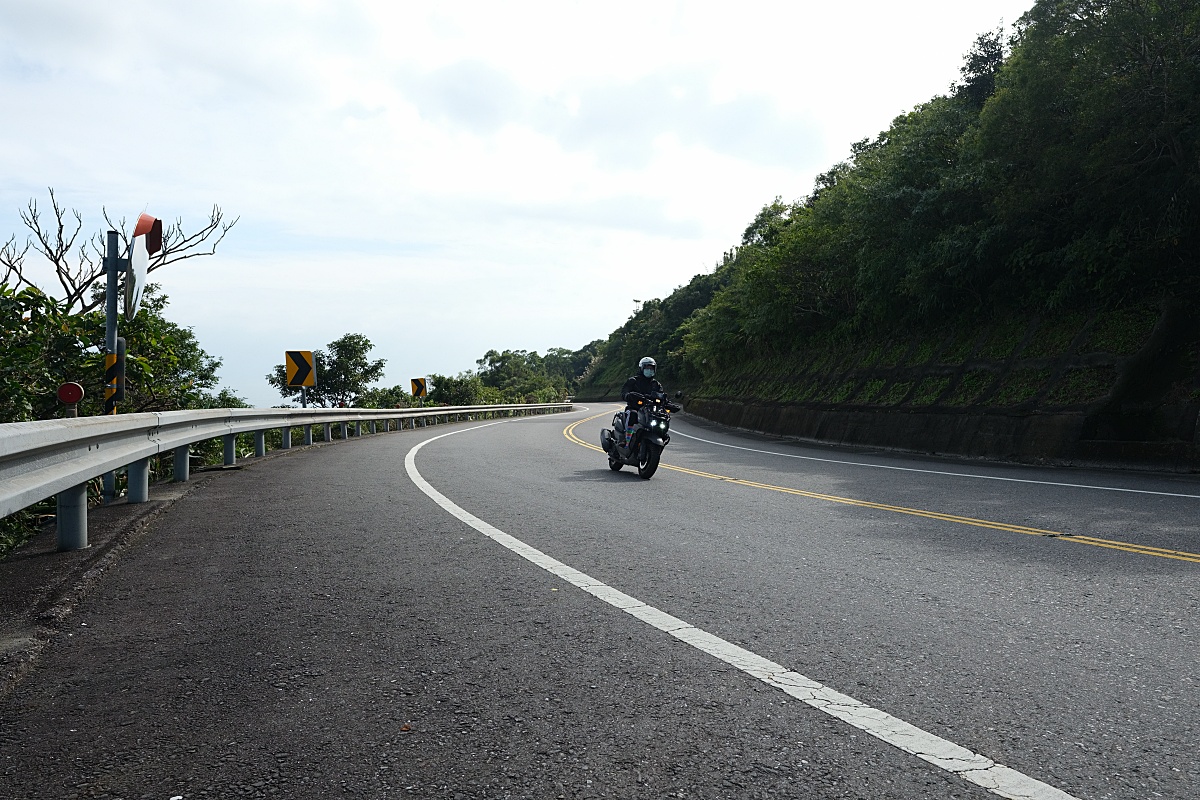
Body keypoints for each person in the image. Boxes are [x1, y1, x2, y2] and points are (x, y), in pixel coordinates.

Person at [619, 356, 664, 434]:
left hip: (650, 410)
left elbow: (661, 395)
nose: (649, 370)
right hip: (634, 408)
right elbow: (624, 392)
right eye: (647, 368)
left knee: (663, 417)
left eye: (652, 368)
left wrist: (669, 403)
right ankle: (627, 439)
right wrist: (628, 395)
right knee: (633, 414)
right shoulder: (633, 381)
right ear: (642, 368)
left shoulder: (656, 384)